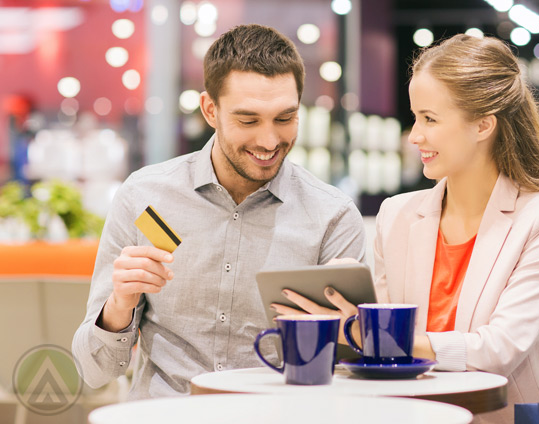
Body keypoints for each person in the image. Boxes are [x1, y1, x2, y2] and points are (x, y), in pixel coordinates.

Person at [275, 34, 539, 424]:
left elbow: (498, 350)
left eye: (430, 119)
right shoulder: (397, 215)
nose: (415, 134)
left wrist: (364, 334)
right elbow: (380, 355)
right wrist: (340, 326)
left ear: (483, 125)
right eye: (415, 116)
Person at [72, 24, 366, 399]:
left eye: (285, 118)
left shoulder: (332, 217)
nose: (269, 140)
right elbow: (92, 371)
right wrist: (119, 306)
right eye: (248, 120)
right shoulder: (143, 196)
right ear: (210, 109)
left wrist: (350, 335)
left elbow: (349, 373)